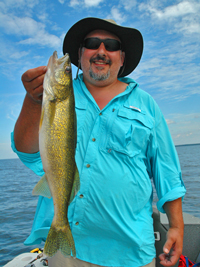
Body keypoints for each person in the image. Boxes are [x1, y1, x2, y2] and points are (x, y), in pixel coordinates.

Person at [12, 17, 186, 267]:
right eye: (92, 43)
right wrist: (32, 100)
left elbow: (167, 170)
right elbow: (27, 151)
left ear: (122, 57)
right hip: (69, 252)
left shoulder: (147, 104)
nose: (101, 50)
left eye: (112, 45)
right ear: (81, 54)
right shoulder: (58, 96)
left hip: (132, 250)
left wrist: (177, 227)